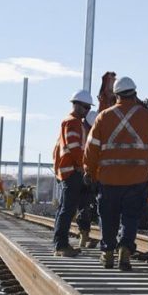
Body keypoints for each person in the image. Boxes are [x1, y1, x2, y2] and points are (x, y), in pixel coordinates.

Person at [84, 77, 148, 270]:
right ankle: (125, 252)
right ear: (135, 93)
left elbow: (91, 148)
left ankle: (108, 253)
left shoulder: (103, 117)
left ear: (116, 95)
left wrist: (89, 171)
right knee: (131, 216)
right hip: (137, 178)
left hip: (108, 177)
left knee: (108, 215)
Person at [51, 90, 93, 257]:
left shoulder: (71, 122)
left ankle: (59, 244)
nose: (87, 110)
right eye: (85, 106)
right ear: (76, 104)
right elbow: (74, 147)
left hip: (68, 170)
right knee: (67, 210)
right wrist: (82, 166)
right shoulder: (73, 123)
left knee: (65, 208)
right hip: (72, 171)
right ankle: (61, 245)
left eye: (89, 107)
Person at [76, 110, 99, 249]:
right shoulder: (90, 134)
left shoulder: (81, 131)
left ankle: (84, 237)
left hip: (84, 174)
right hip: (88, 175)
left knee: (85, 206)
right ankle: (85, 237)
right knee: (88, 206)